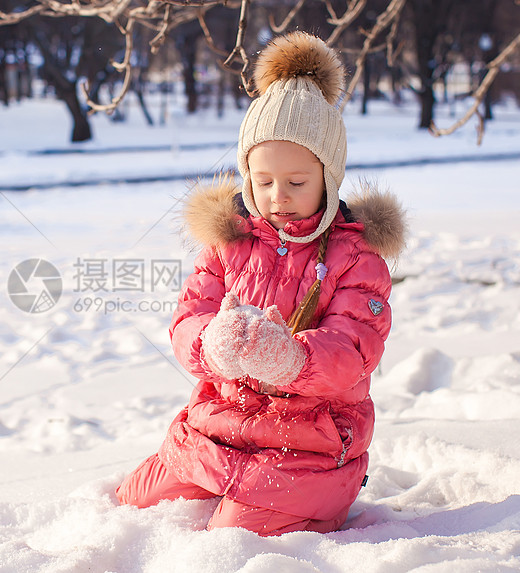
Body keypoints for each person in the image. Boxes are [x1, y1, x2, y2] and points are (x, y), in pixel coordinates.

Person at [116, 31, 407, 535]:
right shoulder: (230, 241)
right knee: (133, 500)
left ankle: (305, 509)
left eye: (297, 182)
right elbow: (188, 319)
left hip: (309, 443)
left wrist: (289, 358)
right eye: (263, 180)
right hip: (222, 422)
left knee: (230, 539)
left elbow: (353, 350)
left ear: (328, 179)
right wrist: (211, 341)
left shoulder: (355, 256)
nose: (278, 196)